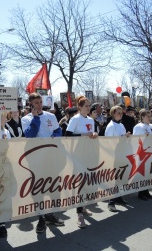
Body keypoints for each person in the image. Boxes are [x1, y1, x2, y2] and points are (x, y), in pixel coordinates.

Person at [21, 92, 64, 233]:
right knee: (38, 188)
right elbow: (30, 134)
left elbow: (58, 130)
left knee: (52, 185)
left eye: (40, 102)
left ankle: (50, 214)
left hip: (51, 157)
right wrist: (35, 118)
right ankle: (40, 218)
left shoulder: (50, 116)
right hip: (35, 158)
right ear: (30, 105)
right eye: (36, 103)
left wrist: (55, 135)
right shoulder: (26, 119)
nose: (39, 105)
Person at [66, 95, 98, 228]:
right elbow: (67, 134)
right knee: (80, 183)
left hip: (89, 153)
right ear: (79, 107)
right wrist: (84, 135)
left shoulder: (90, 119)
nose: (88, 108)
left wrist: (94, 134)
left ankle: (83, 206)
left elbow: (92, 133)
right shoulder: (75, 119)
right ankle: (79, 214)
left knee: (87, 180)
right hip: (78, 154)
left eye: (89, 106)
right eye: (86, 105)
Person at [105, 106, 130, 211]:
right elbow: (109, 142)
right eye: (118, 113)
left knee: (121, 177)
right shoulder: (111, 126)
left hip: (121, 154)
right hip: (114, 155)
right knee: (114, 179)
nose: (121, 114)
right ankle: (111, 202)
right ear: (113, 114)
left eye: (121, 113)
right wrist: (123, 138)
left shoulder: (121, 125)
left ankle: (118, 197)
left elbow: (122, 138)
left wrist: (126, 136)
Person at [133, 109, 152, 201]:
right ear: (142, 117)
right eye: (147, 116)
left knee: (148, 172)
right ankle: (141, 192)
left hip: (150, 151)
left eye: (150, 116)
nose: (149, 118)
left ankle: (146, 191)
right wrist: (143, 137)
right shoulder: (138, 127)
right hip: (142, 153)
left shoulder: (151, 126)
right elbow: (135, 139)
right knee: (142, 172)